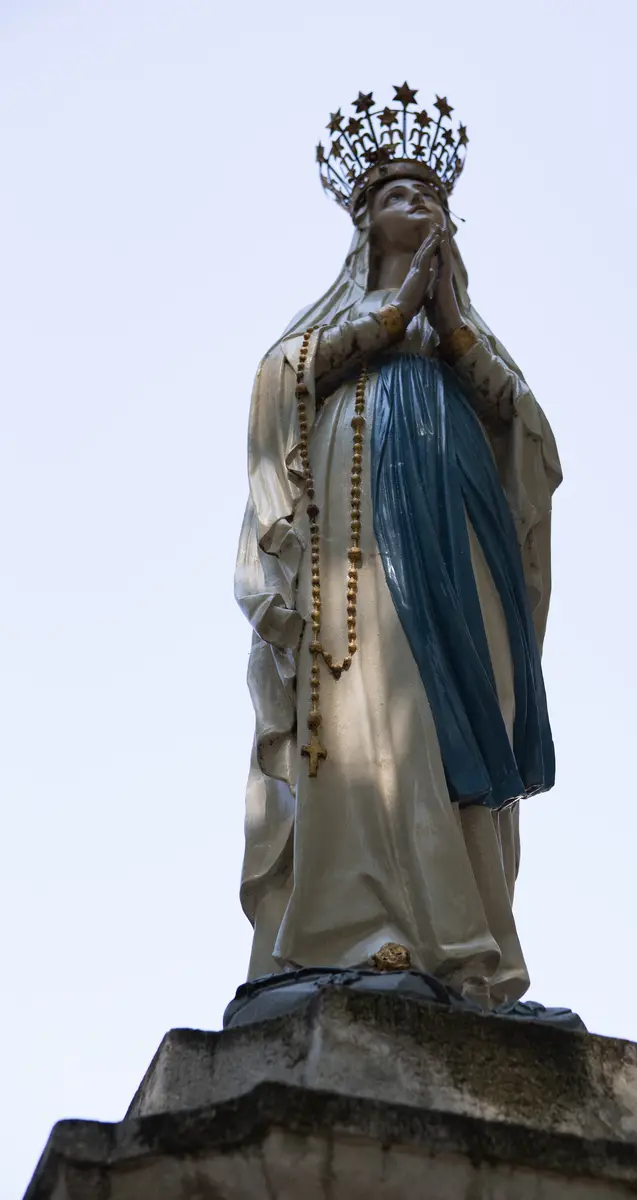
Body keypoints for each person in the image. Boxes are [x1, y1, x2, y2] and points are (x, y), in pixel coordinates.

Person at [234, 96, 562, 1011]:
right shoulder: (327, 327)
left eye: (431, 194)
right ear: (364, 222)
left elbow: (528, 433)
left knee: (463, 701)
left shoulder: (464, 339)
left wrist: (448, 324)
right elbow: (276, 388)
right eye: (397, 193)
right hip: (358, 528)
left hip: (456, 527)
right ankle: (361, 929)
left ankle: (468, 945)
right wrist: (391, 317)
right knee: (370, 702)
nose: (419, 202)